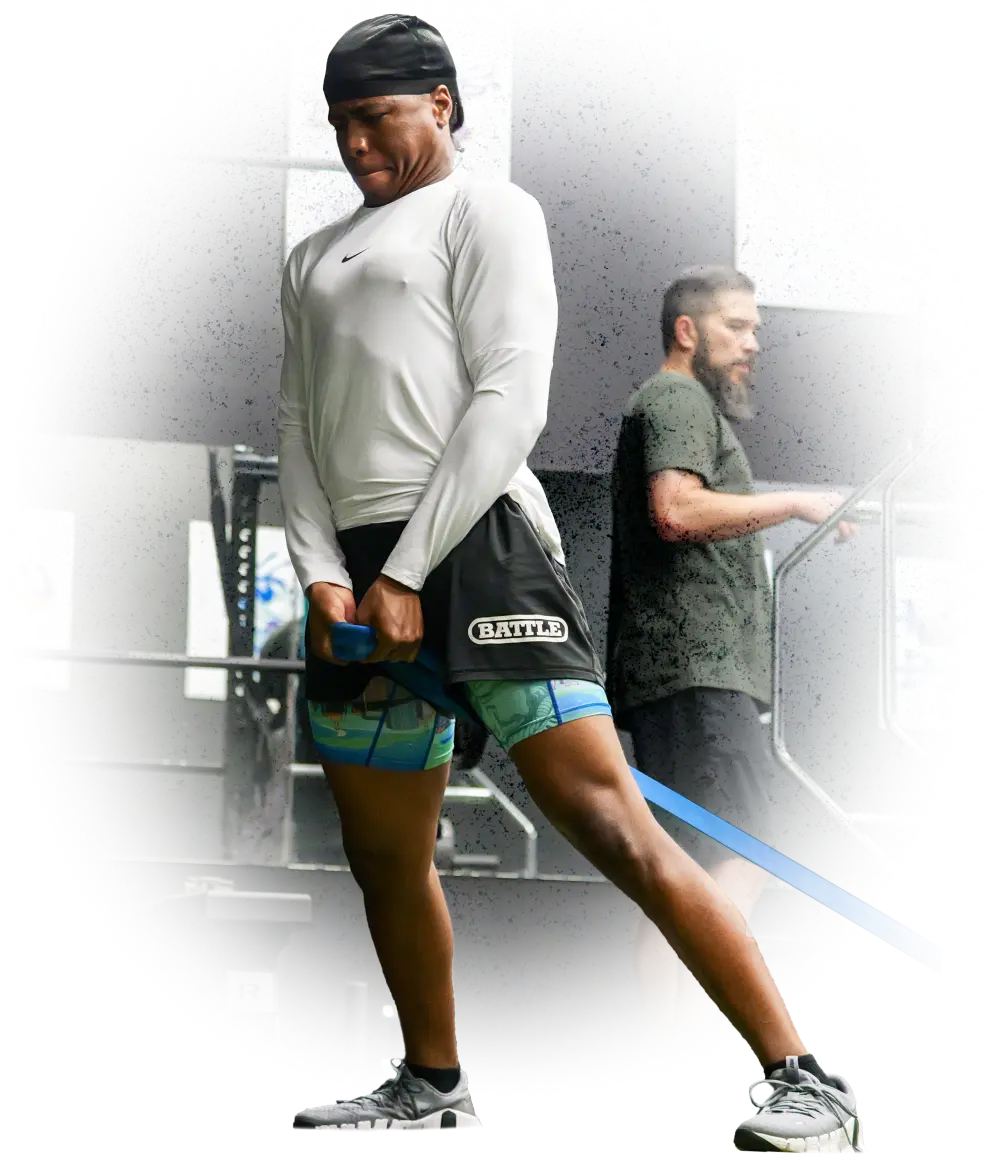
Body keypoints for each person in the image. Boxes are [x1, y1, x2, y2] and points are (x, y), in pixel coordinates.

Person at [279, 14, 866, 1154]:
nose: (356, 144)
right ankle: (433, 1090)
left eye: (377, 117)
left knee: (614, 825)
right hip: (356, 572)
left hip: (479, 545)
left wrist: (406, 569)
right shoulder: (310, 258)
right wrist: (322, 575)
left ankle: (805, 1083)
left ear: (439, 103)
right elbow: (298, 424)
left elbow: (511, 402)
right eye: (340, 123)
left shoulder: (490, 211)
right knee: (386, 856)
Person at [608, 265, 864, 1134]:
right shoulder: (677, 400)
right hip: (694, 672)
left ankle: (672, 1071)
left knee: (681, 875)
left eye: (756, 329)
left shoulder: (672, 404)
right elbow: (676, 510)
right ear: (688, 331)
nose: (754, 343)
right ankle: (691, 1065)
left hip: (682, 675)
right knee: (739, 860)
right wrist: (792, 503)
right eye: (738, 327)